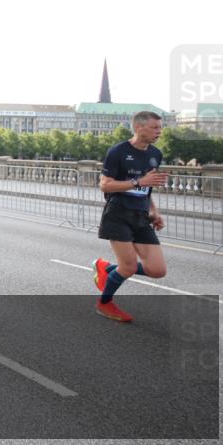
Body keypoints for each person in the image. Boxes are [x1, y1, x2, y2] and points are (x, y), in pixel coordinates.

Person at [91, 111, 169, 323]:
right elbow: (105, 185)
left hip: (141, 215)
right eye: (154, 127)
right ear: (138, 127)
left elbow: (148, 186)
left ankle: (106, 269)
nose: (159, 131)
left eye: (160, 127)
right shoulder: (118, 151)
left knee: (157, 270)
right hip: (118, 213)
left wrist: (154, 210)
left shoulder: (156, 154)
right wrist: (137, 182)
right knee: (129, 267)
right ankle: (104, 303)